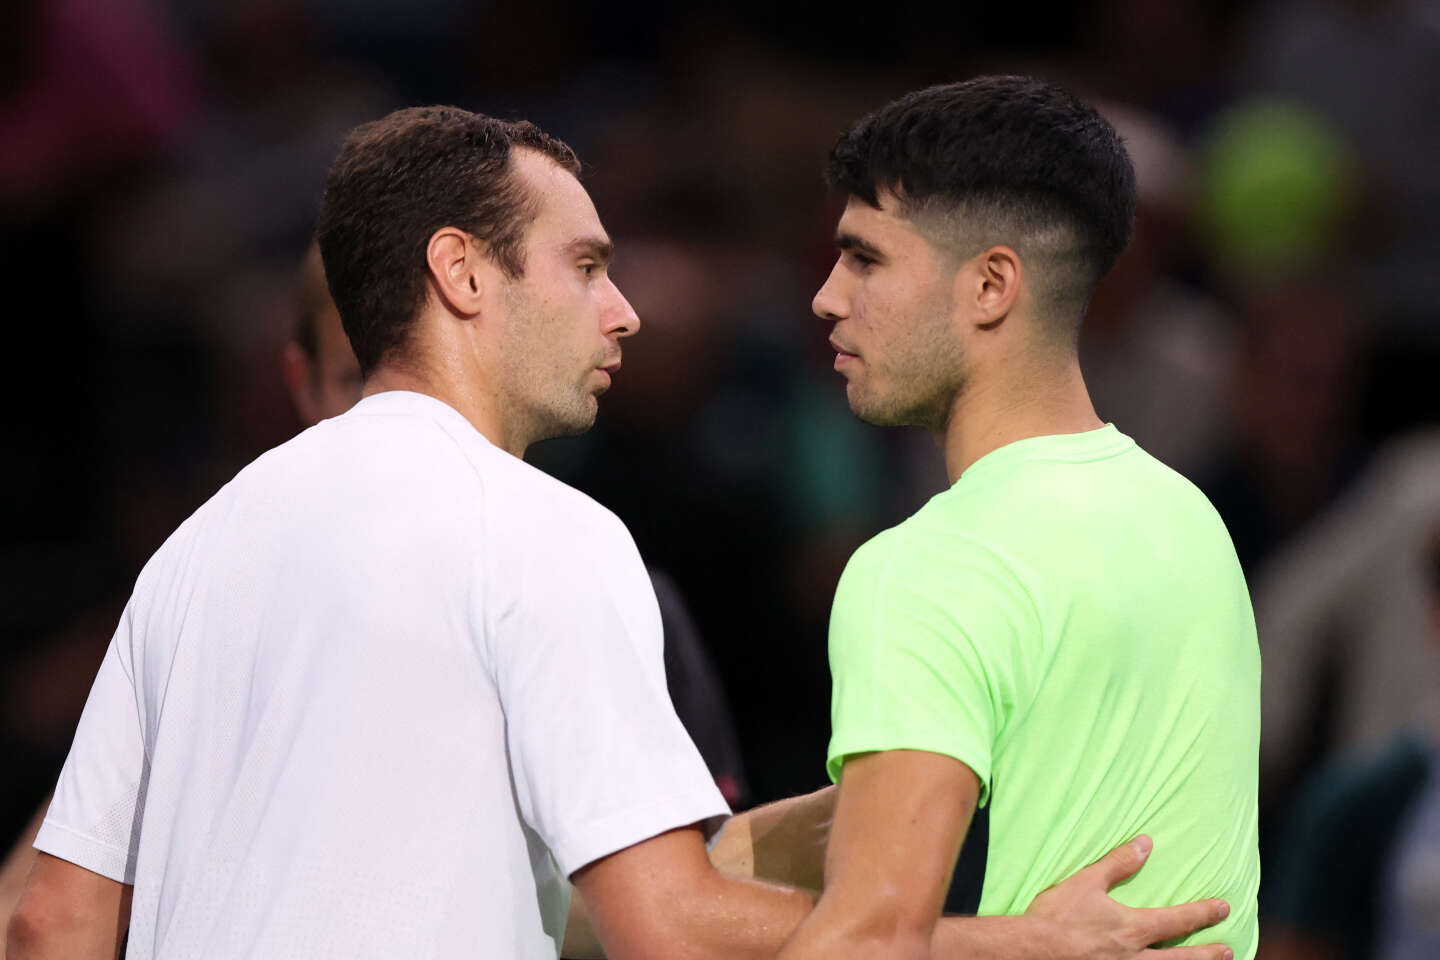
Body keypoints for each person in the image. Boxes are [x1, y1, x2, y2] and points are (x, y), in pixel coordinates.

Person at [6, 106, 1231, 960]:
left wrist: (898, 788)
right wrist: (1018, 948)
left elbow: (48, 924)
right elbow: (670, 927)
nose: (627, 311)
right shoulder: (538, 530)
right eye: (586, 266)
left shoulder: (197, 552)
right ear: (463, 275)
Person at [775, 76, 1261, 959]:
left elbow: (863, 946)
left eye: (866, 260)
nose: (827, 297)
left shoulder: (925, 567)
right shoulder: (1190, 520)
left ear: (992, 284)